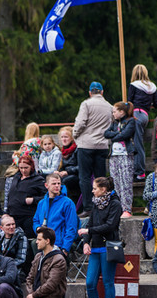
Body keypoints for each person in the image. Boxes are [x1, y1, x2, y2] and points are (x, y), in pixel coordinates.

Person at [78, 177, 121, 298]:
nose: (92, 191)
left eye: (95, 188)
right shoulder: (96, 203)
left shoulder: (115, 204)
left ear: (103, 190)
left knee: (108, 282)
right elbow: (90, 223)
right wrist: (85, 242)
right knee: (90, 282)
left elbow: (110, 226)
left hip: (108, 247)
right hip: (95, 247)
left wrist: (88, 230)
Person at [73, 81, 113, 216]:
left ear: (90, 92)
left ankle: (88, 207)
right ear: (102, 92)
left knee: (84, 177)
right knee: (101, 177)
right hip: (102, 145)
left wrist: (75, 135)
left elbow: (80, 123)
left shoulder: (86, 104)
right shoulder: (109, 106)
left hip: (86, 144)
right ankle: (102, 204)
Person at [128, 64, 157, 181]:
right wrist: (147, 105)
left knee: (137, 144)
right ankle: (136, 170)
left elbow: (129, 101)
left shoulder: (134, 85)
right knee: (137, 143)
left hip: (136, 115)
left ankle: (140, 172)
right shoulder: (152, 87)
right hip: (145, 116)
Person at [104, 101, 136, 217]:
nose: (113, 114)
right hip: (114, 156)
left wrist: (115, 135)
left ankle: (127, 208)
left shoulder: (130, 121)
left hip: (125, 155)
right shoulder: (114, 123)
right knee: (115, 182)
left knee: (125, 182)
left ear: (122, 112)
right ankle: (117, 208)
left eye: (114, 111)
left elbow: (125, 135)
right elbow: (106, 134)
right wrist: (117, 134)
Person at [32, 173, 77, 254]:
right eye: (54, 183)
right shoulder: (41, 203)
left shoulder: (68, 203)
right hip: (43, 242)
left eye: (59, 183)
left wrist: (65, 249)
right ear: (46, 185)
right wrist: (37, 228)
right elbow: (35, 220)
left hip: (59, 244)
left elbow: (71, 227)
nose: (57, 186)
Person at [4, 156, 46, 240]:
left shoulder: (38, 180)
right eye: (21, 168)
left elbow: (46, 197)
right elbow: (10, 196)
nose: (23, 170)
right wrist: (6, 212)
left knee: (29, 239)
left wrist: (33, 200)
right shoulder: (16, 178)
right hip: (13, 216)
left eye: (26, 168)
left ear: (31, 166)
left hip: (28, 216)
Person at [56, 126, 82, 208]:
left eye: (66, 137)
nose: (64, 139)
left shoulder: (77, 149)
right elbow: (62, 165)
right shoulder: (63, 150)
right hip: (65, 174)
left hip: (76, 175)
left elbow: (81, 166)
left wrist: (68, 172)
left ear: (71, 138)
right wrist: (59, 171)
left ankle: (68, 206)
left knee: (65, 182)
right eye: (62, 137)